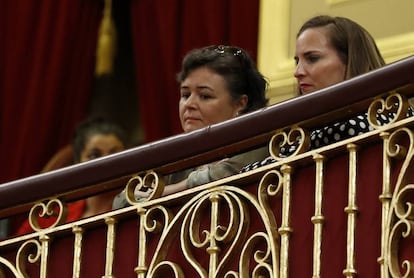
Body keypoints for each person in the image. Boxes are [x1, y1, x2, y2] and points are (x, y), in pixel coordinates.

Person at [241, 15, 411, 172]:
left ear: (350, 60)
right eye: (297, 61)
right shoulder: (300, 133)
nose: (297, 72)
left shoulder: (380, 119)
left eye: (312, 58)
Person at [112, 44, 269, 208]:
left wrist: (162, 193)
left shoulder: (261, 141)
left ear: (240, 104)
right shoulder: (176, 155)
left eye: (205, 96)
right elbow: (122, 200)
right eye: (185, 95)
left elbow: (222, 175)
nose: (189, 104)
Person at [16, 117, 130, 235]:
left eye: (115, 154)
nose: (106, 162)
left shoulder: (136, 206)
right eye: (94, 155)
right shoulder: (54, 216)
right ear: (77, 163)